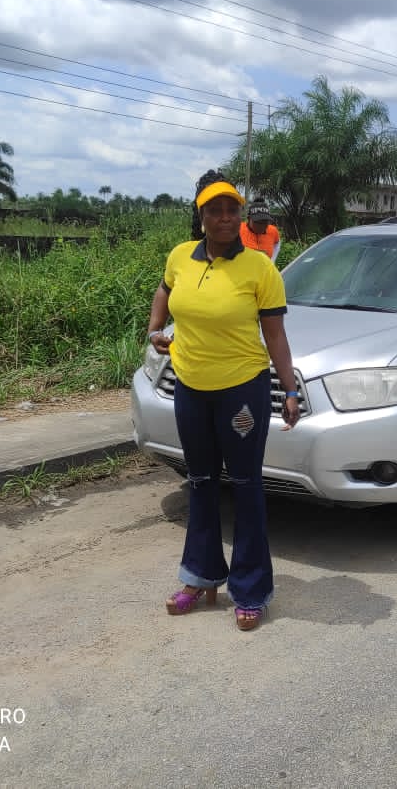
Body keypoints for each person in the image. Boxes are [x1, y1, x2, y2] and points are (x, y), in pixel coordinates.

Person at [146, 169, 300, 632]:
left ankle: (250, 589)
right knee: (200, 482)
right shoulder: (180, 258)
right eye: (215, 209)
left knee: (248, 486)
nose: (226, 216)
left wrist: (289, 389)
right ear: (201, 214)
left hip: (242, 392)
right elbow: (164, 291)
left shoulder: (259, 267)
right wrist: (155, 329)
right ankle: (201, 577)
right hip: (190, 388)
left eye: (233, 208)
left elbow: (275, 334)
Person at [239, 197, 281, 262]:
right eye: (257, 222)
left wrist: (272, 261)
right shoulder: (238, 229)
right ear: (249, 219)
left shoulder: (273, 231)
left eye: (265, 222)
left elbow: (277, 243)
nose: (261, 226)